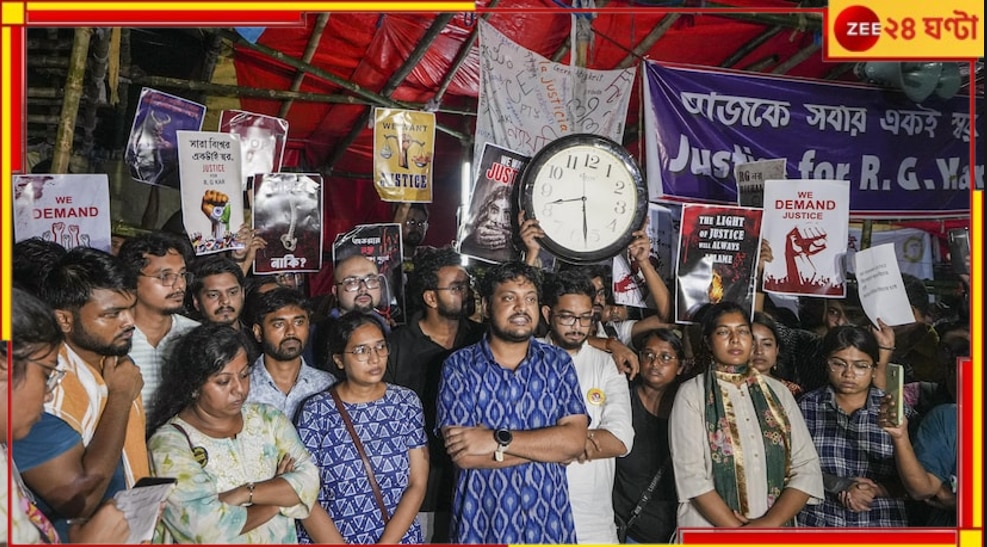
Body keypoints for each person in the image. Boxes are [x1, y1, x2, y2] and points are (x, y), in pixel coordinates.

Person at [436, 261, 588, 543]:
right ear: (485, 305)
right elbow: (465, 456)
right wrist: (548, 448)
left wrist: (496, 440)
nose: (522, 307)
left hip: (548, 525)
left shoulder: (558, 364)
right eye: (509, 298)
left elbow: (575, 442)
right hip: (481, 527)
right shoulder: (459, 366)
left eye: (530, 298)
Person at [14, 248, 147, 539]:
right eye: (112, 314)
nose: (129, 322)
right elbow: (80, 501)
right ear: (64, 320)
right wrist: (120, 398)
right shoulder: (39, 391)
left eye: (130, 308)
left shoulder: (118, 364)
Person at [146, 324, 320, 543]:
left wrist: (244, 494)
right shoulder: (170, 444)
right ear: (193, 386)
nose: (239, 388)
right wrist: (277, 499)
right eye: (223, 381)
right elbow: (204, 528)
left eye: (244, 374)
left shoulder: (268, 419)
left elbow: (309, 482)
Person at [670, 301, 823, 528]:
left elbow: (806, 468)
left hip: (773, 532)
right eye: (723, 332)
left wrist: (767, 525)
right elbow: (691, 477)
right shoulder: (692, 393)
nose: (735, 339)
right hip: (711, 530)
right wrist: (742, 534)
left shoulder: (778, 392)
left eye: (742, 331)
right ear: (708, 342)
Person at [295, 312, 428, 544]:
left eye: (380, 347)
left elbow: (416, 484)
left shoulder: (405, 403)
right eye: (361, 350)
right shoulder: (316, 411)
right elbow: (303, 493)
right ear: (338, 359)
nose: (374, 358)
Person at [385, 246, 484, 542]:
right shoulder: (396, 346)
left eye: (467, 285)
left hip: (476, 483)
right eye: (456, 287)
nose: (466, 293)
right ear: (430, 297)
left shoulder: (482, 339)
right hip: (417, 489)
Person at [539, 270, 634, 543]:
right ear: (548, 314)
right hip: (533, 515)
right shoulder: (526, 359)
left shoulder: (607, 365)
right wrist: (584, 440)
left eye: (585, 317)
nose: (577, 326)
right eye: (567, 316)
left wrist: (543, 443)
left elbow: (620, 440)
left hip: (593, 523)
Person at [797, 325, 915, 527]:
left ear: (874, 368)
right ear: (826, 363)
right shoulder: (805, 408)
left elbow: (919, 484)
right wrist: (841, 485)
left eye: (861, 366)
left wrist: (875, 489)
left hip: (881, 524)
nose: (849, 374)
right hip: (820, 522)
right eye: (838, 364)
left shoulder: (896, 411)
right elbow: (791, 470)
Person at [613, 328, 683, 543]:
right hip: (629, 530)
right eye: (648, 355)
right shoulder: (621, 399)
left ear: (680, 367)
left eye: (666, 357)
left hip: (676, 531)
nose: (655, 363)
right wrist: (611, 345)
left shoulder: (690, 407)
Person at [118, 231, 200, 407]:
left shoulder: (196, 335)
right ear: (132, 281)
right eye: (165, 276)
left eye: (182, 275)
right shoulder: (112, 337)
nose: (179, 286)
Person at [244, 287, 335, 421]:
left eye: (299, 322)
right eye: (279, 324)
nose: (291, 331)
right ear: (258, 332)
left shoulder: (326, 384)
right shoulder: (242, 387)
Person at [751, 312, 803, 397]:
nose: (759, 351)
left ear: (777, 350)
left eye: (767, 344)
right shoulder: (729, 389)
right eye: (752, 344)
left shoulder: (791, 391)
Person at [459, 184, 513, 262]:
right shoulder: (474, 238)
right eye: (494, 211)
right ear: (486, 211)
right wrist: (474, 239)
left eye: (506, 213)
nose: (498, 220)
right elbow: (464, 248)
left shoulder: (517, 245)